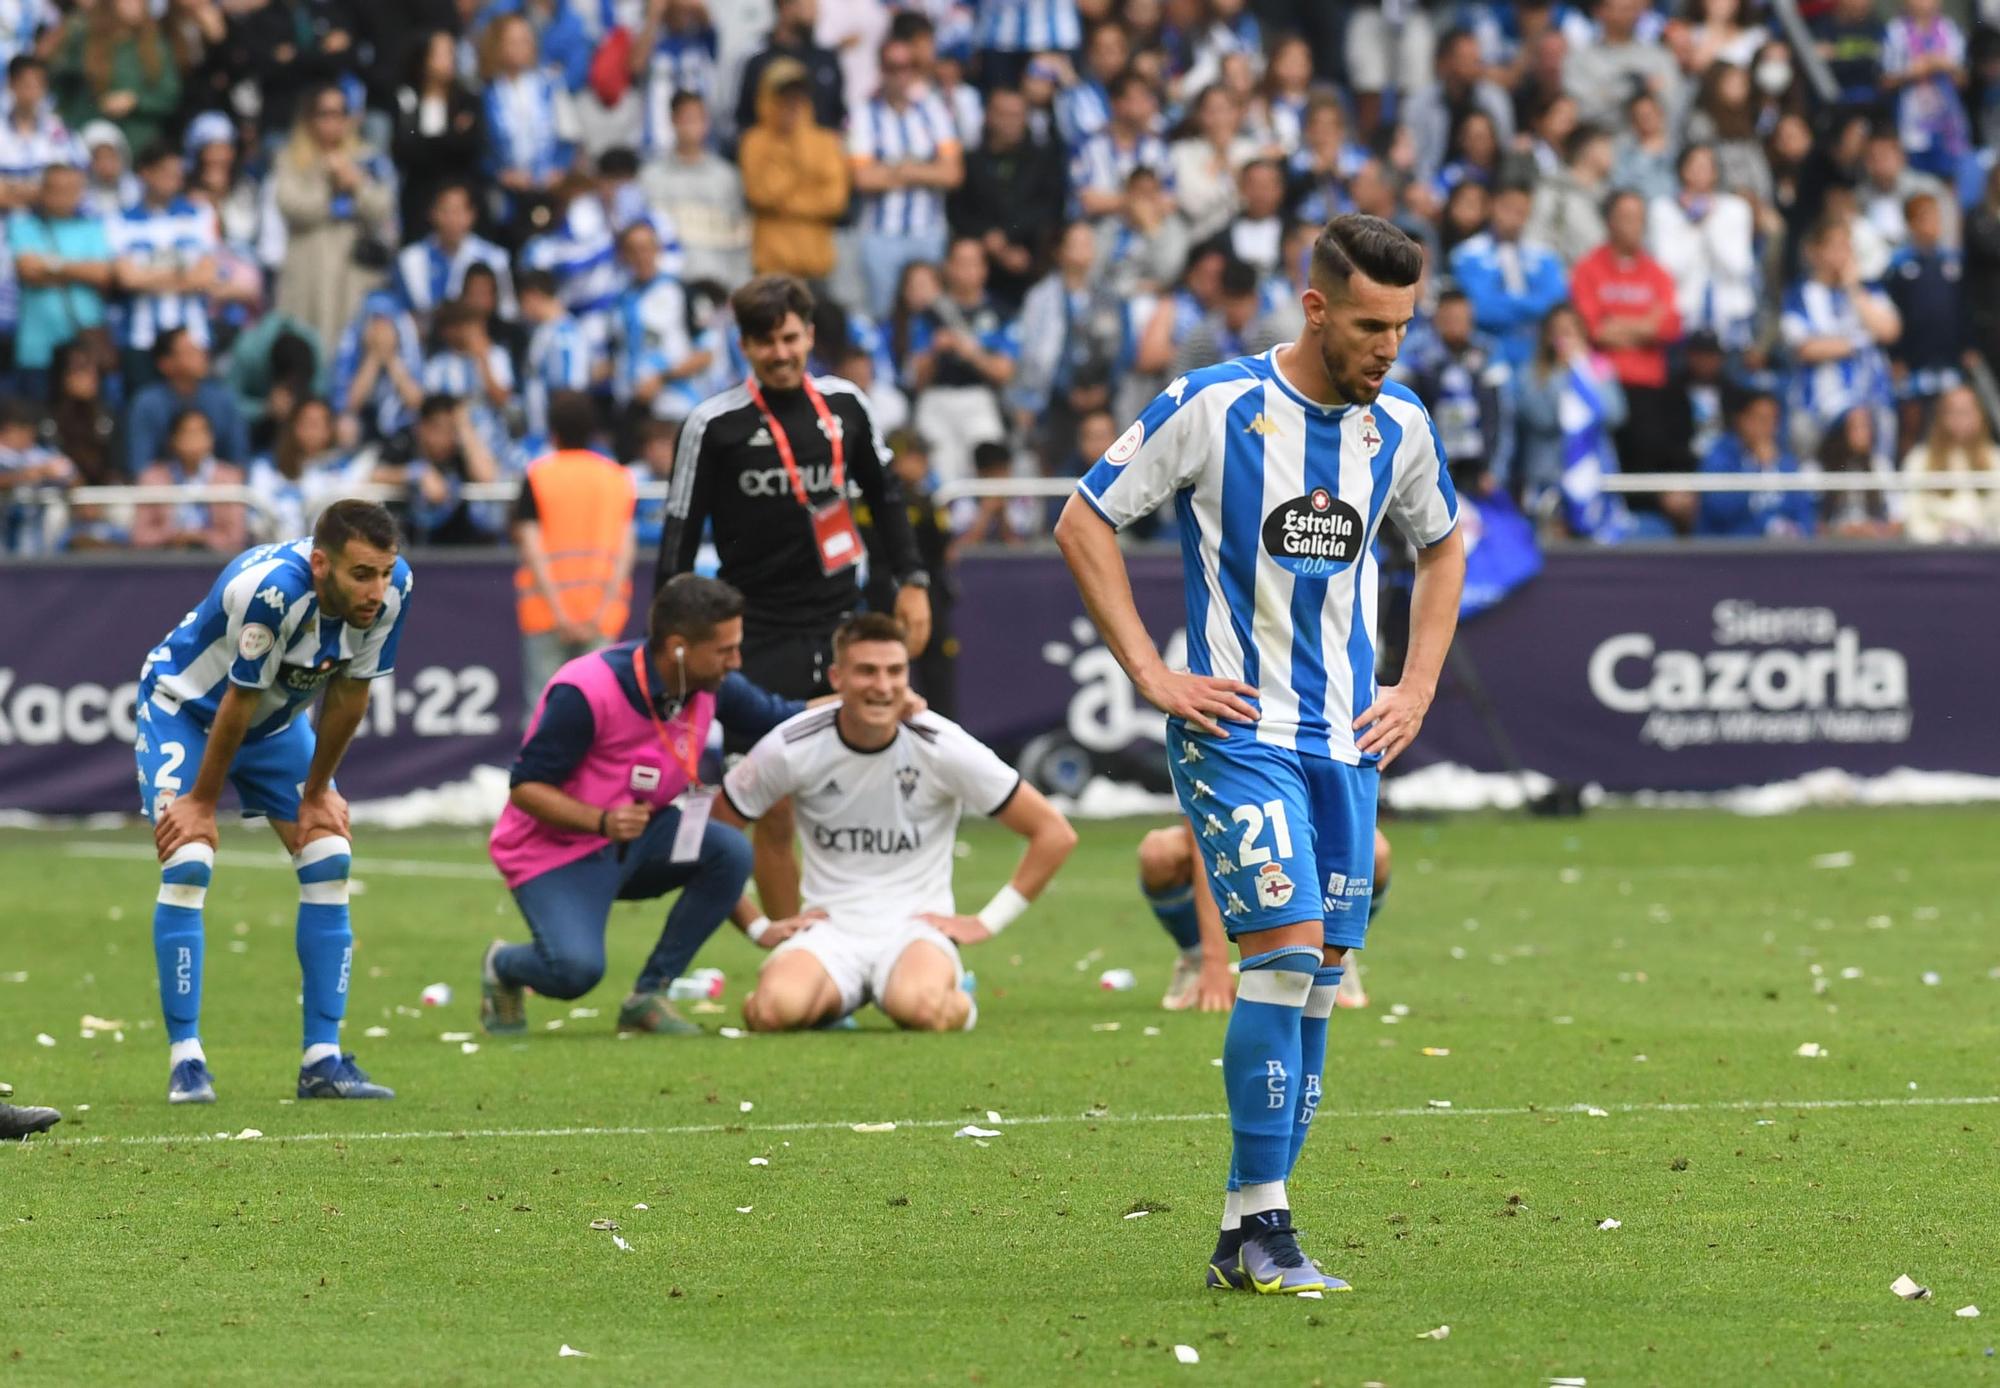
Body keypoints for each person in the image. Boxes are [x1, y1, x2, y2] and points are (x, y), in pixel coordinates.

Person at [1053, 214, 1466, 1295]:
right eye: (1370, 325)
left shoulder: (1401, 425)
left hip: (1347, 740)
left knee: (1319, 984)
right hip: (1235, 731)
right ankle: (1271, 1228)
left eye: (1402, 328)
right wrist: (1153, 671)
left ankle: (1244, 1232)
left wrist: (1415, 684)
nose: (1387, 348)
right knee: (1280, 960)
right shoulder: (1212, 404)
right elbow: (1083, 519)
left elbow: (1443, 544)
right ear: (1315, 306)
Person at [659, 274, 931, 920]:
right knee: (773, 806)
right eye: (764, 342)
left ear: (809, 335)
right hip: (754, 635)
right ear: (744, 346)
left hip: (844, 627)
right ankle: (792, 946)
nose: (780, 353)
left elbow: (888, 501)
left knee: (873, 789)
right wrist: (672, 643)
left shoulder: (848, 408)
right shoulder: (713, 424)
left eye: (789, 338)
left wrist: (913, 582)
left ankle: (882, 935)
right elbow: (676, 540)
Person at [136, 499, 413, 1104]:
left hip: (274, 724)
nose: (377, 590)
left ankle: (323, 1060)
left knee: (330, 855)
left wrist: (316, 794)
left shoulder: (393, 591)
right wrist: (203, 803)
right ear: (321, 564)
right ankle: (187, 1061)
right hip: (186, 711)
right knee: (188, 861)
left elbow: (348, 695)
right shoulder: (273, 591)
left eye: (384, 573)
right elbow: (234, 701)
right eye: (362, 574)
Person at [481, 576, 825, 1036]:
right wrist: (600, 820)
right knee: (573, 973)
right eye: (725, 650)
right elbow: (525, 788)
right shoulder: (586, 689)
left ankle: (650, 994)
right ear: (680, 647)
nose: (735, 661)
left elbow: (785, 716)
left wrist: (870, 701)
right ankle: (504, 965)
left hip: (642, 840)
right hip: (555, 853)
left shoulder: (709, 685)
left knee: (729, 850)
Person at [724, 613, 1076, 1033]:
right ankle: (834, 1001)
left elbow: (1054, 832)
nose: (883, 686)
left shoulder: (942, 744)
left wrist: (987, 921)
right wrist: (757, 925)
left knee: (922, 1009)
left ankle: (956, 995)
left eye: (895, 671)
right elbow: (709, 836)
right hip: (830, 932)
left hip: (914, 930)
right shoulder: (791, 744)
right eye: (867, 671)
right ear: (837, 677)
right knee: (769, 1012)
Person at [513, 390, 637, 717]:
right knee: (599, 710)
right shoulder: (619, 478)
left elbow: (532, 547)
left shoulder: (538, 475)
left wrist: (560, 612)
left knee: (543, 709)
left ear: (552, 433)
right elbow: (626, 551)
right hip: (602, 616)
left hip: (545, 614)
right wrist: (600, 611)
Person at [272, 83, 397, 358]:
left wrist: (357, 184)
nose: (333, 122)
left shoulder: (367, 158)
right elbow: (291, 205)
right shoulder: (291, 159)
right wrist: (329, 184)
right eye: (324, 114)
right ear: (310, 118)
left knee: (348, 346)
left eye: (339, 114)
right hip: (308, 269)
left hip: (352, 273)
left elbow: (383, 207)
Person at [1571, 188, 1683, 485]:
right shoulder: (1588, 269)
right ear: (1609, 221)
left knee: (1647, 467)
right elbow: (1594, 329)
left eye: (1639, 218)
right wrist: (1644, 326)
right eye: (1626, 217)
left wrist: (1617, 324)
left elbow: (1668, 327)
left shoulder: (1658, 272)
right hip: (1604, 386)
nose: (1634, 225)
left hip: (1649, 388)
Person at [848, 36, 964, 318]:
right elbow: (863, 179)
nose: (900, 74)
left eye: (907, 66)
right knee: (884, 315)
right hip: (880, 234)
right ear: (881, 69)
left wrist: (898, 169)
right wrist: (924, 169)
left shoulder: (933, 110)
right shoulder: (864, 113)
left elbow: (953, 173)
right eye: (892, 66)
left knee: (932, 314)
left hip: (928, 230)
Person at [109, 141, 218, 394]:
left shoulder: (200, 214)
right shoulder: (120, 220)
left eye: (177, 174)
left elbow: (206, 276)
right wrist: (182, 273)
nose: (173, 180)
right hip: (141, 337)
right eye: (166, 173)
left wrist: (148, 276)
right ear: (145, 173)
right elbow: (127, 279)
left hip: (193, 337)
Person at [6, 163, 114, 402]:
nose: (64, 196)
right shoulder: (23, 226)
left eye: (71, 189)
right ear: (42, 190)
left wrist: (50, 265)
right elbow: (28, 270)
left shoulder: (92, 228)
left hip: (85, 344)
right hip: (38, 348)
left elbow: (102, 273)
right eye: (57, 189)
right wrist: (78, 269)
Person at [738, 59, 850, 284]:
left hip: (817, 267)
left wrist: (784, 204)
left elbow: (834, 201)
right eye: (784, 97)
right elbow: (762, 194)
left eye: (798, 96)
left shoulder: (826, 141)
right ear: (767, 97)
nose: (792, 105)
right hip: (771, 268)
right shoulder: (754, 141)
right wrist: (793, 156)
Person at [1449, 180, 1569, 369]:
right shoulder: (1467, 255)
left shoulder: (1545, 256)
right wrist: (1529, 304)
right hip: (1489, 352)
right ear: (1492, 207)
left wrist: (1505, 301)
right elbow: (1479, 309)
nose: (1514, 217)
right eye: (1508, 208)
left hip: (1536, 354)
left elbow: (1555, 304)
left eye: (1521, 211)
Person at [125, 327, 249, 476]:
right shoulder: (146, 404)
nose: (201, 355)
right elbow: (140, 465)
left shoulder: (223, 400)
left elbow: (239, 460)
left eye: (199, 349)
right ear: (165, 363)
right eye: (190, 351)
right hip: (163, 491)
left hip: (216, 490)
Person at [393, 183, 516, 333]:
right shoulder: (410, 259)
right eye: (445, 211)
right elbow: (402, 312)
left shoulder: (494, 259)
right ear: (432, 213)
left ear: (471, 215)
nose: (452, 219)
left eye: (458, 211)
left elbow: (507, 311)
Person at [1695, 388, 1818, 538]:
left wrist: (1796, 530)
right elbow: (1720, 509)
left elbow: (1804, 511)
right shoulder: (1720, 456)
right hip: (1730, 550)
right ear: (1741, 419)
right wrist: (1757, 468)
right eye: (1760, 418)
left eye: (1773, 419)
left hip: (1782, 552)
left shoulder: (1785, 461)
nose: (1767, 426)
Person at [129, 407, 248, 551]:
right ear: (173, 439)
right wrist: (174, 537)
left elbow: (236, 537)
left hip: (215, 561)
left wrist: (202, 538)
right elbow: (140, 536)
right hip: (164, 561)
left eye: (200, 432)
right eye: (187, 433)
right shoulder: (152, 478)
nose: (194, 439)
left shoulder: (230, 478)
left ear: (211, 438)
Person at [1900, 384, 2000, 542]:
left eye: (1966, 411)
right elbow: (1912, 516)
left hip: (1988, 554)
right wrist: (1939, 535)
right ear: (1941, 416)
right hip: (1937, 555)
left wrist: (1988, 535)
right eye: (1953, 411)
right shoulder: (1920, 459)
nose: (1960, 418)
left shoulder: (1996, 459)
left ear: (1980, 415)